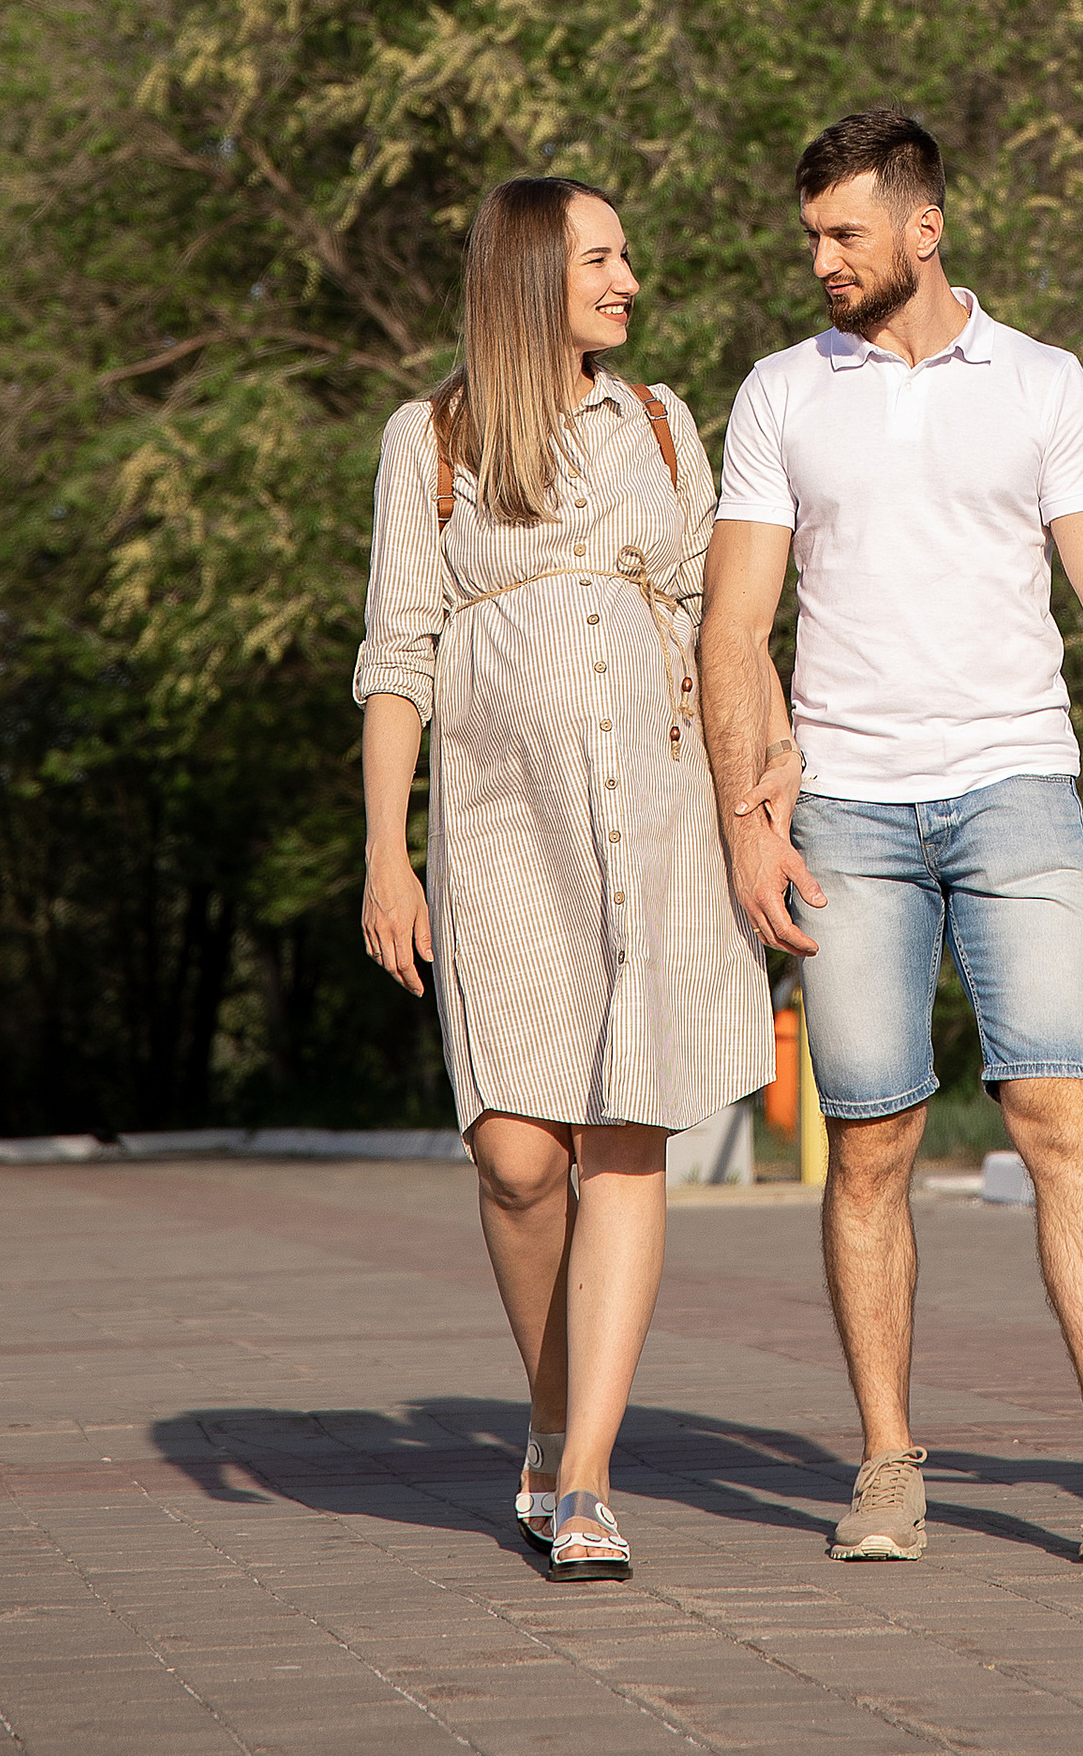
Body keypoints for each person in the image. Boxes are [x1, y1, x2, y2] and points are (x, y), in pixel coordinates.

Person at [699, 103, 1083, 1568]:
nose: (820, 260)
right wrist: (751, 823)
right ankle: (886, 1464)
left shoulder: (1041, 383)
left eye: (843, 232)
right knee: (871, 1140)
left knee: (1066, 1115)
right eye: (810, 235)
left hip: (1018, 788)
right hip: (846, 808)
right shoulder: (780, 396)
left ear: (925, 227)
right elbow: (734, 629)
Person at [357, 174, 776, 1581]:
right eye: (603, 256)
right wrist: (384, 851)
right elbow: (396, 657)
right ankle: (550, 1411)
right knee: (519, 1157)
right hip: (498, 835)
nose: (631, 278)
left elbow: (733, 633)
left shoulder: (661, 423)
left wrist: (761, 805)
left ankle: (586, 1476)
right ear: (533, 273)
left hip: (658, 823)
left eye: (627, 256)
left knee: (627, 1136)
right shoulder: (435, 441)